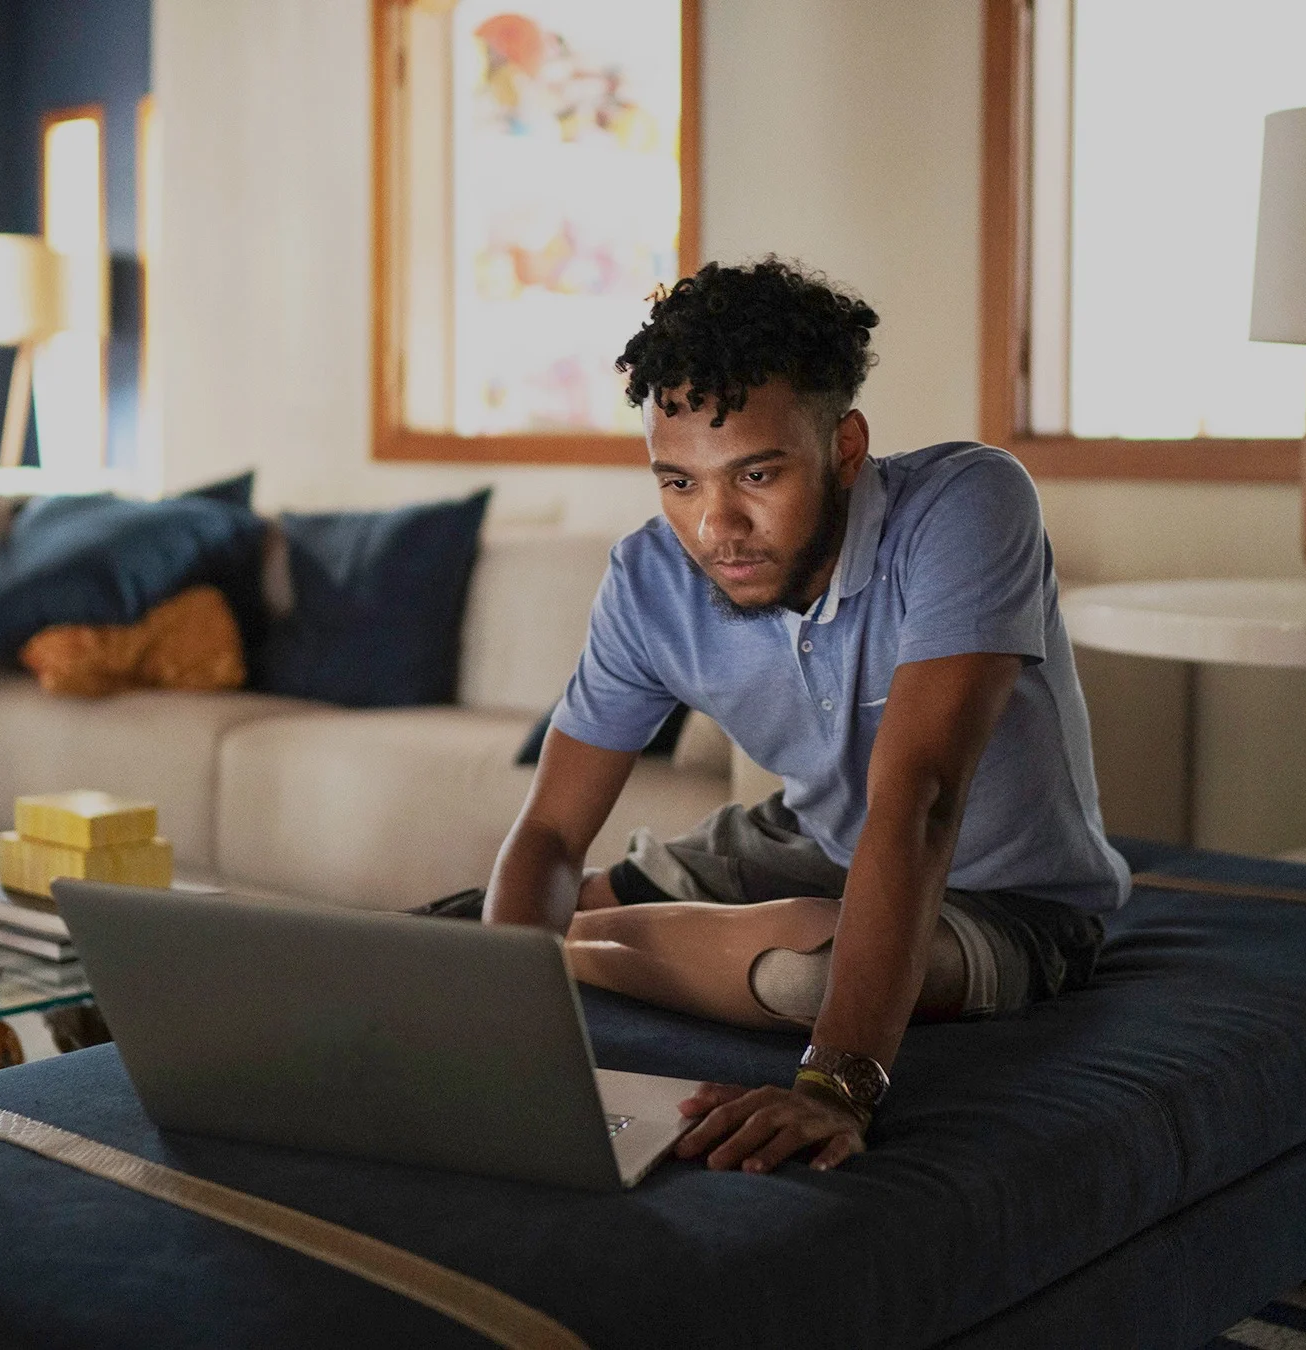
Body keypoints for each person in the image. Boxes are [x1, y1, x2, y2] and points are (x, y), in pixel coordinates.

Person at [482, 258, 1130, 1176]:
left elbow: (922, 799)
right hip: (799, 840)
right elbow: (550, 827)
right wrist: (501, 1038)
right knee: (495, 910)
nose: (716, 528)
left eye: (755, 474)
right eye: (679, 484)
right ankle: (559, 946)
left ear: (846, 446)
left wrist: (834, 1088)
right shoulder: (647, 580)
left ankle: (577, 947)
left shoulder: (968, 506)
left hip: (1012, 899)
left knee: (801, 974)